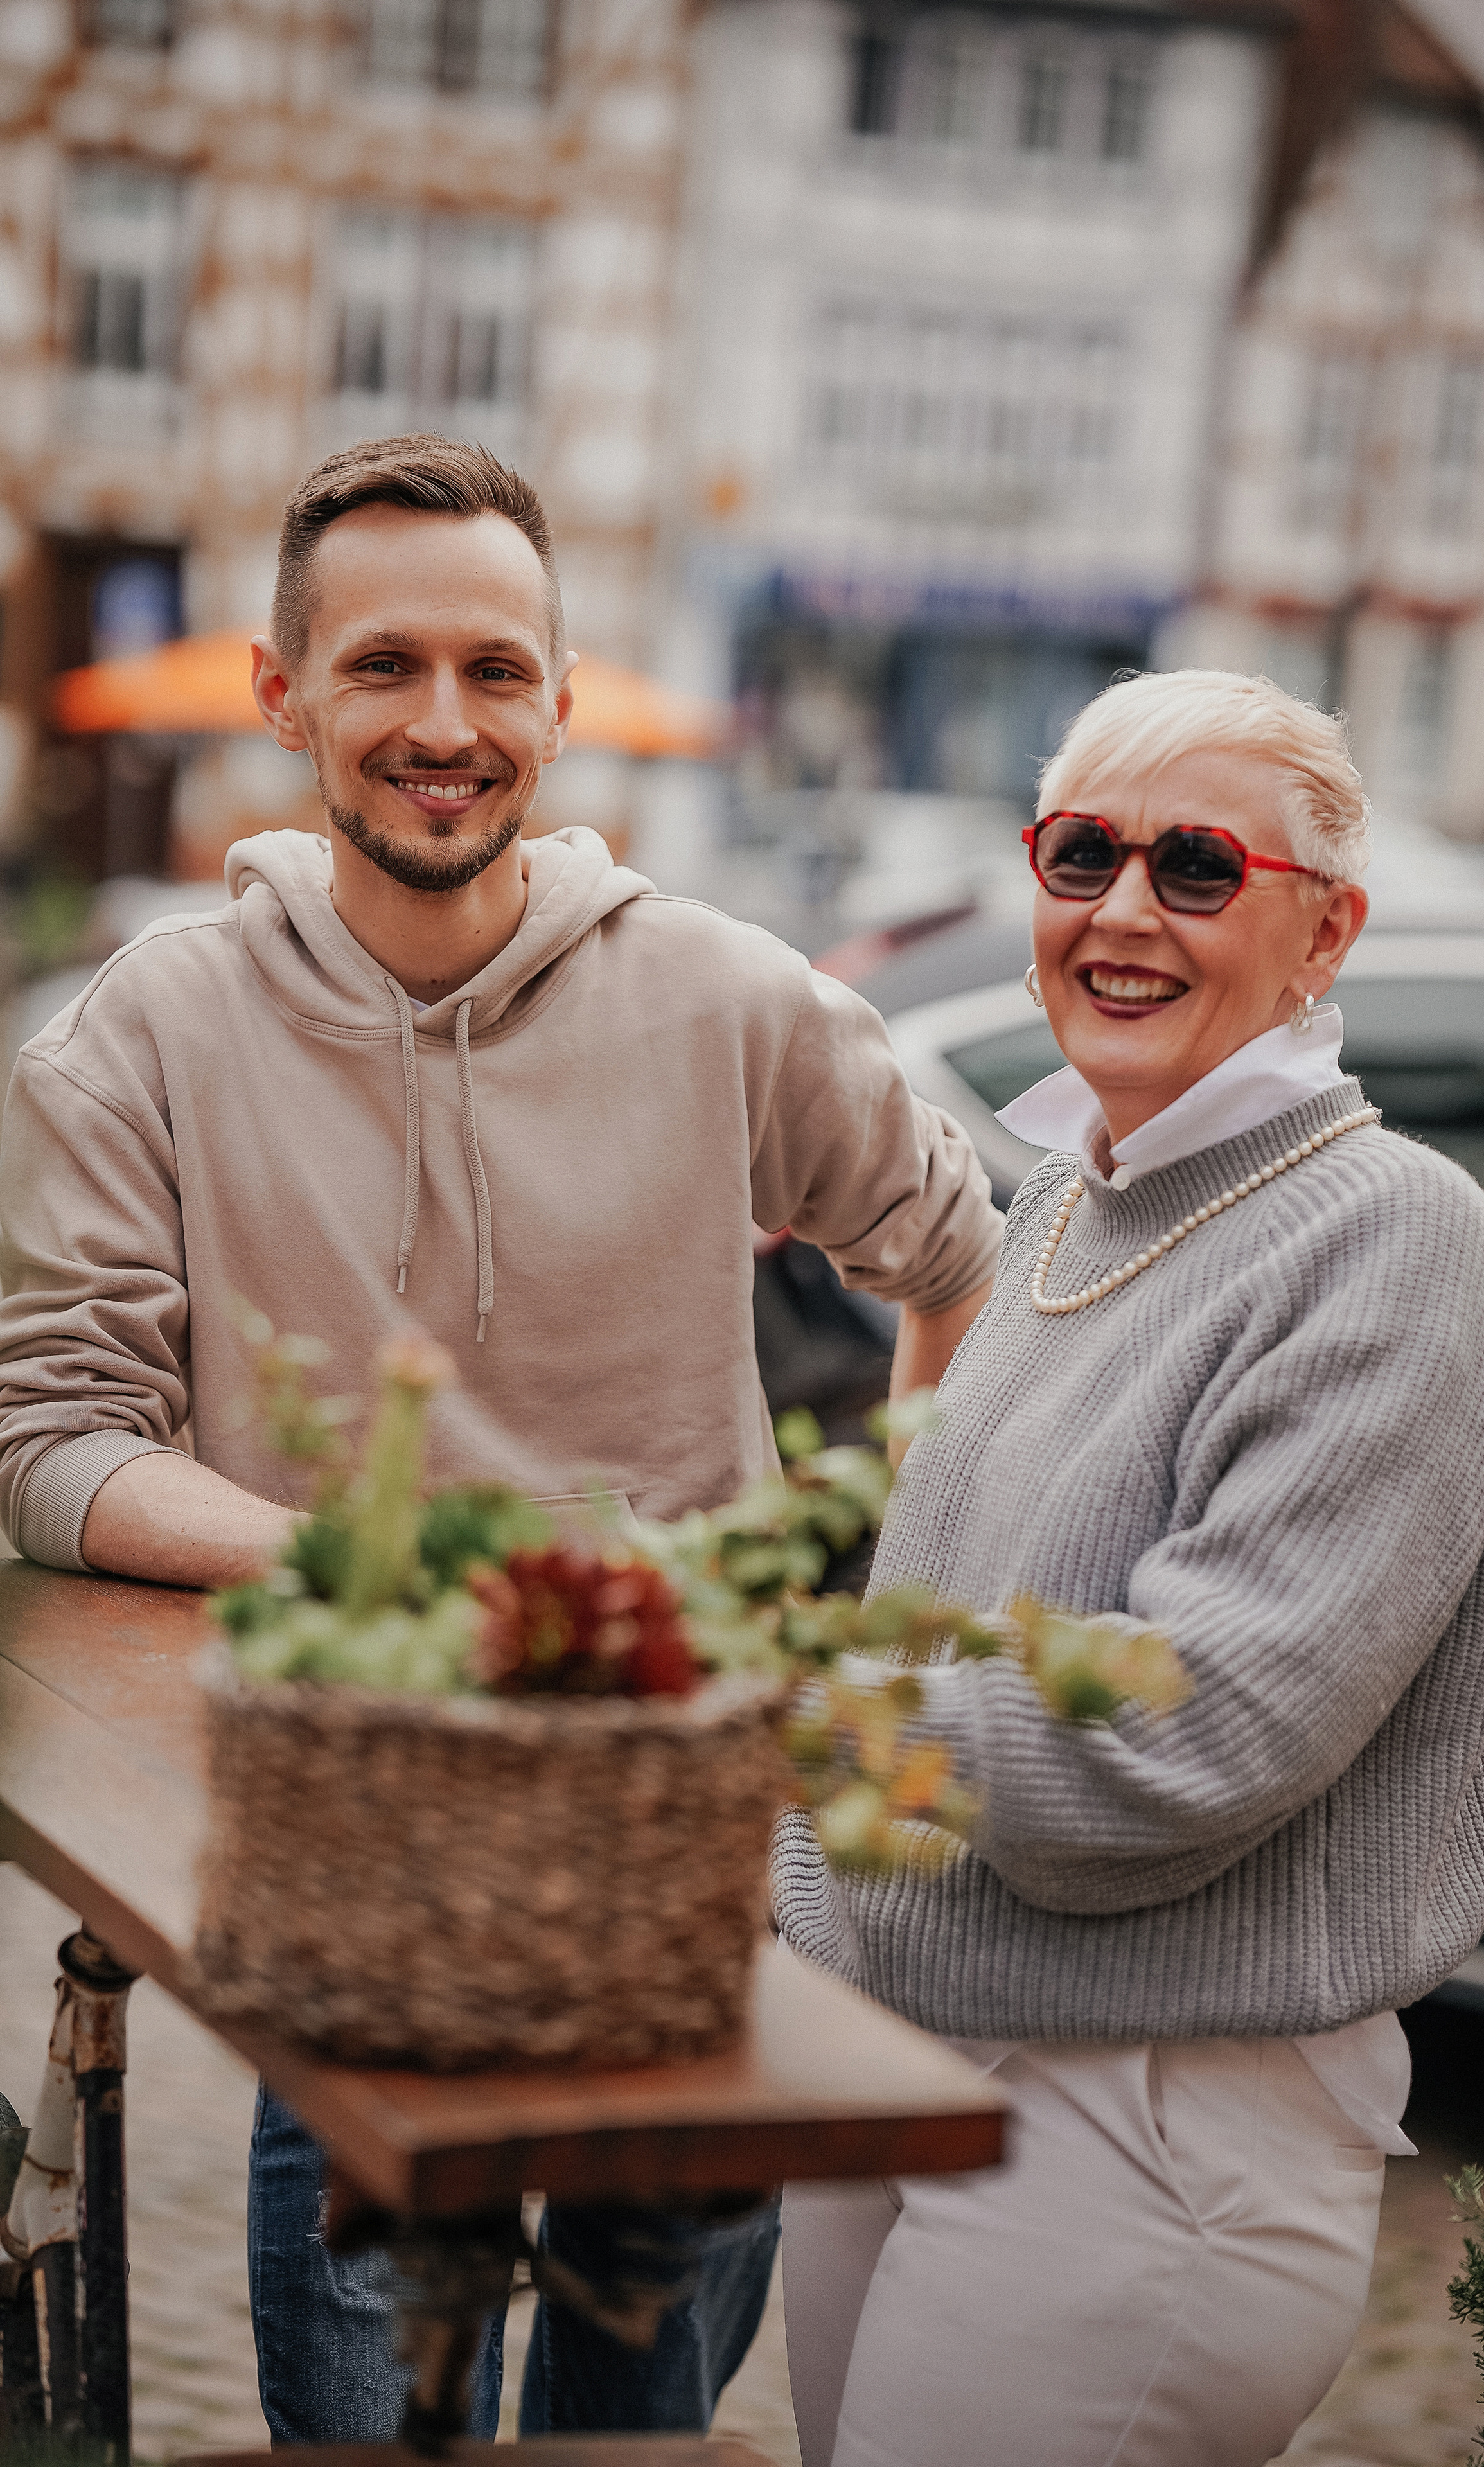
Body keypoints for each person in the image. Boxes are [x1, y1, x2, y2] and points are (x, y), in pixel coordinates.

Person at [0, 435, 1001, 2443]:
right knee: (372, 2431)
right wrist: (385, 1570)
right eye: (381, 669)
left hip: (693, 1868)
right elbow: (45, 1445)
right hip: (369, 1853)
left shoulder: (734, 1000)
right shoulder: (145, 1031)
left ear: (554, 695)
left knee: (631, 2431)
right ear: (285, 694)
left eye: (493, 670)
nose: (442, 726)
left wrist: (880, 1580)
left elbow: (958, 1259)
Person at [773, 669, 1484, 2467]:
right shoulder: (1073, 1196)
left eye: (1199, 867)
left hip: (1150, 2136)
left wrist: (784, 1723)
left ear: (1324, 932)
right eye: (1082, 853)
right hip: (909, 2053)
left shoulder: (1394, 1242)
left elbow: (1181, 1745)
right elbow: (949, 1610)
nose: (1124, 911)